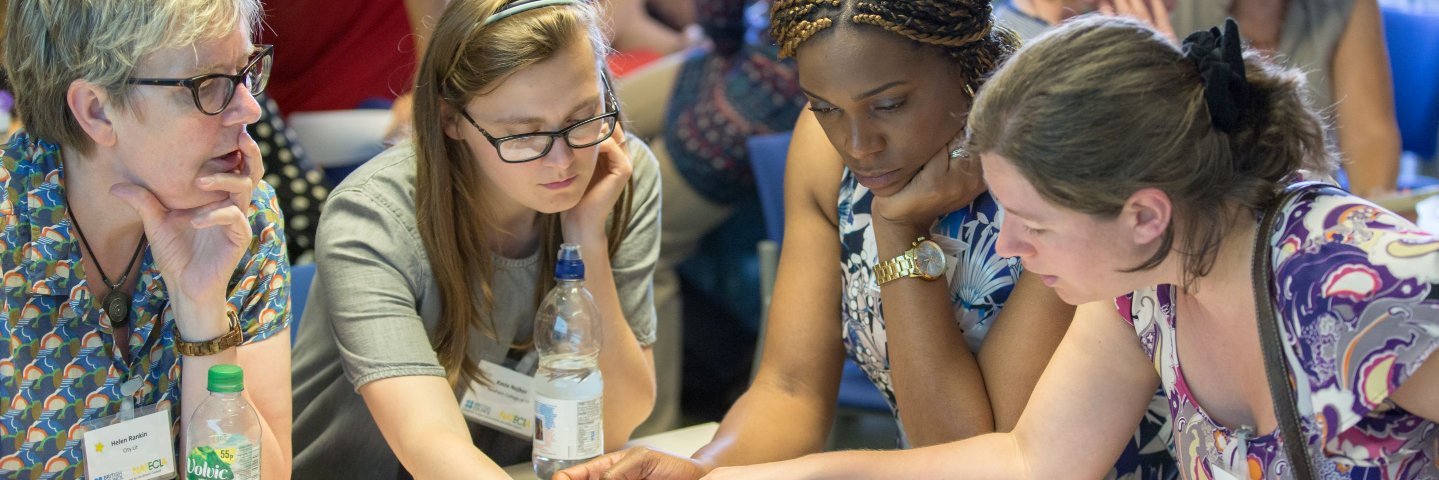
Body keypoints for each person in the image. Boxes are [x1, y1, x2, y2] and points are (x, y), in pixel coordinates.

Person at [699, 16, 1439, 479]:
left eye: (1034, 223)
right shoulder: (1145, 283)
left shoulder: (1352, 280)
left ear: (1143, 212)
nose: (1012, 245)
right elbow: (1027, 461)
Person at [561, 2, 1175, 479]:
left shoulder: (1042, 178)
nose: (857, 144)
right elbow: (790, 387)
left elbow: (978, 453)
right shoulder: (825, 155)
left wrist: (897, 230)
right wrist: (706, 466)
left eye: (888, 104)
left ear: (967, 69)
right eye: (824, 107)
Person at [288, 0, 661, 477]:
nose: (563, 161)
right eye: (523, 135)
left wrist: (585, 237)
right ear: (452, 120)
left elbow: (617, 421)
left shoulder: (618, 175)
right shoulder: (371, 216)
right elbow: (428, 441)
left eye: (583, 116)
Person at [0, 1, 293, 479]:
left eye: (245, 72)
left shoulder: (238, 218)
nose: (250, 108)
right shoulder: (11, 230)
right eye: (208, 84)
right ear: (97, 112)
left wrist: (203, 309)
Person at [1104, 0, 1400, 199]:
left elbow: (1369, 136)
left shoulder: (1347, 7)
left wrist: (1370, 227)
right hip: (1186, 215)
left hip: (1300, 219)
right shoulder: (1161, 7)